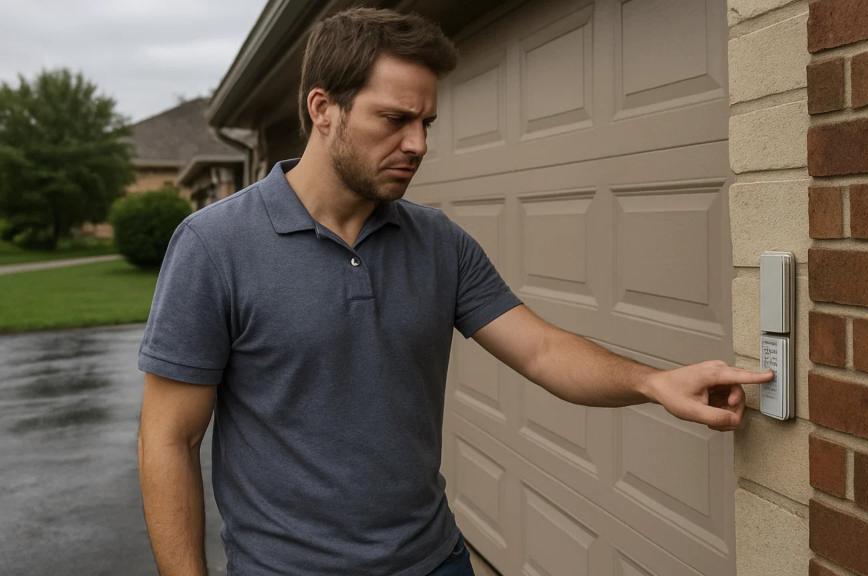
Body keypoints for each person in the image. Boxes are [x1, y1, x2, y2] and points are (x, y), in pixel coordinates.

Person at [136, 8, 773, 576]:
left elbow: (543, 350)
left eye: (426, 121)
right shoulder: (215, 246)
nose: (417, 144)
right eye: (394, 119)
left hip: (434, 559)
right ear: (322, 108)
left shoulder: (437, 241)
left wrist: (653, 383)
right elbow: (170, 438)